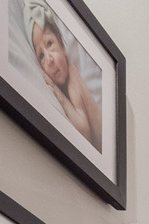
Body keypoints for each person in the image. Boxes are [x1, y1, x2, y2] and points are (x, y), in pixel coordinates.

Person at [24, 2, 102, 152]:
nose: (49, 60)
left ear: (61, 43)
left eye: (50, 44)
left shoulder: (73, 78)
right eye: (41, 55)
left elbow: (85, 133)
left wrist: (59, 96)